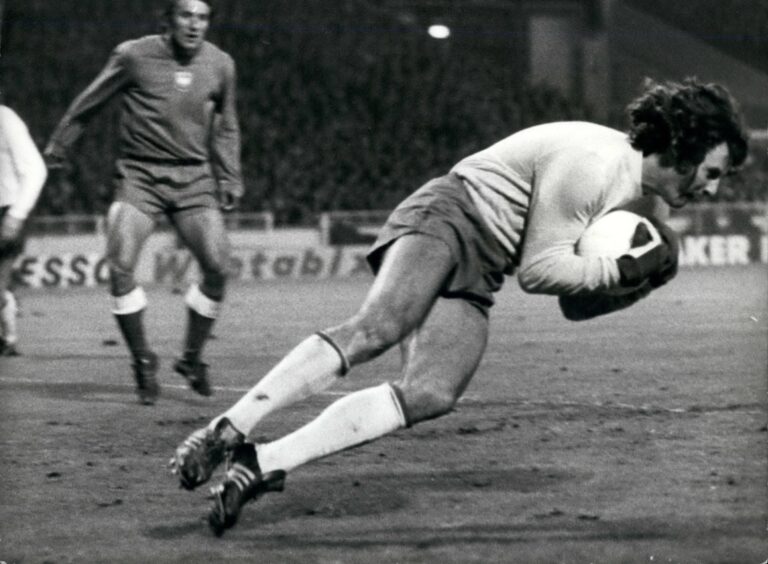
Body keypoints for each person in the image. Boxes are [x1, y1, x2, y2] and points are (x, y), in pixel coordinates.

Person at [170, 78, 748, 536]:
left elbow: (574, 307)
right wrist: (622, 270)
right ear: (685, 149)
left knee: (432, 392)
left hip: (484, 262)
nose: (714, 189)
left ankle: (262, 462)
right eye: (714, 172)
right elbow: (543, 272)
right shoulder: (596, 164)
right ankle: (226, 428)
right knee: (379, 327)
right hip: (450, 214)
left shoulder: (640, 202)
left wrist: (637, 286)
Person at [44, 0, 243, 405]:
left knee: (218, 268)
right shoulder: (133, 55)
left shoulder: (221, 64)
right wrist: (60, 143)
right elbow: (90, 100)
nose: (194, 24)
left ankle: (190, 358)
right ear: (167, 19)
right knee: (119, 267)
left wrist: (229, 174)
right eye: (186, 15)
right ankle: (142, 359)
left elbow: (226, 123)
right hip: (140, 176)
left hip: (193, 177)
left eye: (202, 17)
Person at [0, 99, 48, 356]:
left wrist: (16, 215)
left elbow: (37, 169)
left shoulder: (6, 120)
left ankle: (8, 337)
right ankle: (7, 338)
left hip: (8, 211)